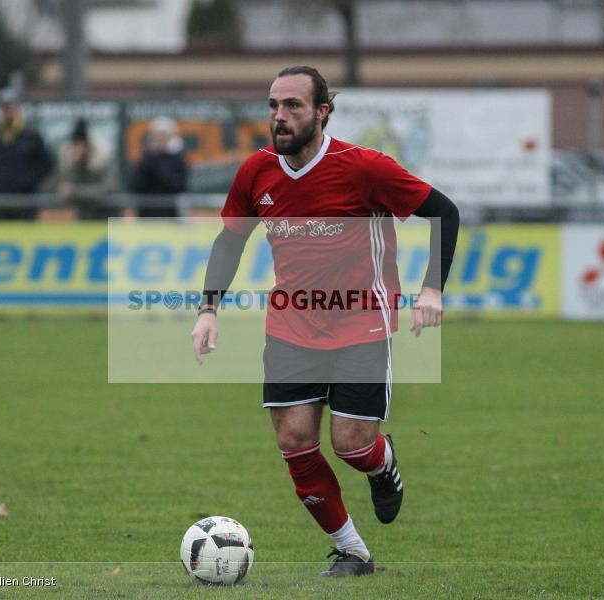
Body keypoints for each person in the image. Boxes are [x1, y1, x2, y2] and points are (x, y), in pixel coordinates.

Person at [190, 66, 460, 577]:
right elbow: (230, 240)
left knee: (351, 444)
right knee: (294, 438)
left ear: (322, 111)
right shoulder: (257, 171)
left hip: (362, 321)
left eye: (292, 105)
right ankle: (353, 551)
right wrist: (209, 310)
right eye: (273, 105)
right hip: (292, 324)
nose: (279, 116)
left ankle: (381, 461)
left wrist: (431, 289)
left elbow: (445, 212)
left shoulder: (365, 168)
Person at [0, 88, 53, 220]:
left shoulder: (32, 135)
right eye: (5, 108)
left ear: (18, 109)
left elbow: (45, 164)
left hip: (26, 200)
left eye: (11, 107)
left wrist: (29, 182)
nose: (8, 112)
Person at [129, 116, 189, 218]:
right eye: (158, 136)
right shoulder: (146, 159)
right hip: (146, 214)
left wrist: (160, 163)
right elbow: (135, 185)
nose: (160, 140)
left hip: (170, 215)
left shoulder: (177, 160)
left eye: (164, 136)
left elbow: (179, 186)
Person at [57, 119, 115, 220]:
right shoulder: (70, 162)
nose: (78, 149)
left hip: (107, 218)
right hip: (85, 220)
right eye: (75, 145)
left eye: (81, 145)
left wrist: (76, 191)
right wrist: (74, 165)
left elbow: (106, 190)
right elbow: (64, 189)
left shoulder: (102, 160)